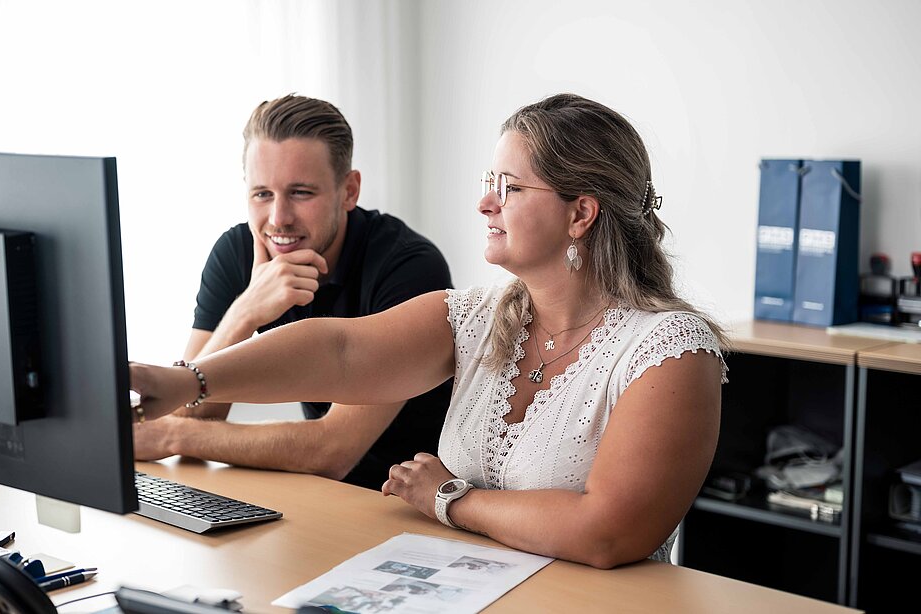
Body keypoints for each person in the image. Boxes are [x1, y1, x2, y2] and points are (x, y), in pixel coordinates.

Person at [130, 93, 728, 569]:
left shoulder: (670, 352)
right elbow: (340, 350)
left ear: (580, 213)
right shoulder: (477, 317)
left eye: (509, 188)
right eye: (488, 182)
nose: (484, 205)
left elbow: (607, 533)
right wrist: (191, 380)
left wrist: (449, 498)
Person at [132, 94, 453, 490]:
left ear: (349, 190)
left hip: (413, 504)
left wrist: (171, 438)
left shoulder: (408, 268)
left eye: (301, 193)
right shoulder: (237, 252)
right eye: (262, 194)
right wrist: (244, 312)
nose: (278, 218)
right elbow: (186, 411)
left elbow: (334, 451)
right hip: (317, 496)